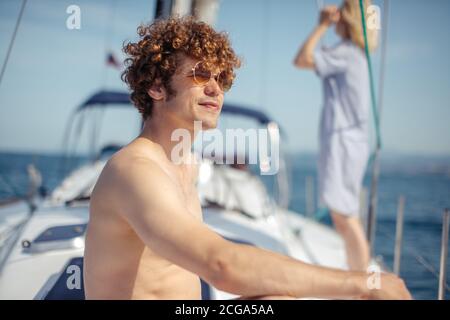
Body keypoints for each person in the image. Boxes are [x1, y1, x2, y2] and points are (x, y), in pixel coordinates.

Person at [84, 16, 411, 300]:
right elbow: (220, 264)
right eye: (200, 75)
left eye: (221, 78)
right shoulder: (135, 170)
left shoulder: (186, 165)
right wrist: (364, 283)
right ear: (156, 87)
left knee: (280, 296)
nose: (215, 88)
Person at [293, 0, 377, 271]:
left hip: (343, 142)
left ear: (347, 19)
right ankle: (359, 277)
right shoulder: (353, 54)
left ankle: (361, 281)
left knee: (344, 214)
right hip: (348, 142)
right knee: (343, 213)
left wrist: (322, 25)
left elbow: (301, 59)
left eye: (341, 11)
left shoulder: (348, 53)